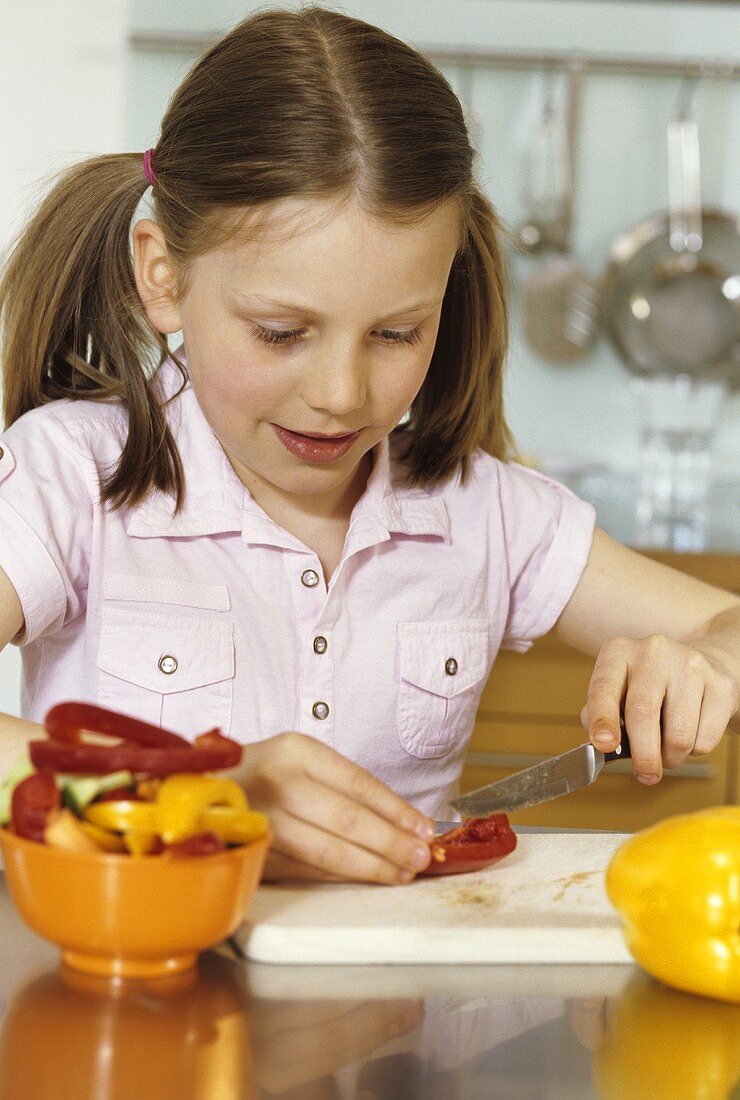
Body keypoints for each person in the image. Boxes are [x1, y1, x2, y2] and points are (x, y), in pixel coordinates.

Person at [0, 7, 737, 885]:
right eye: (280, 332)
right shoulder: (73, 476)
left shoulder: (482, 509)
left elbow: (722, 625)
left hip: (400, 1006)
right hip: (126, 999)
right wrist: (203, 790)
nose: (341, 396)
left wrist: (705, 660)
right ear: (163, 277)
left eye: (395, 334)